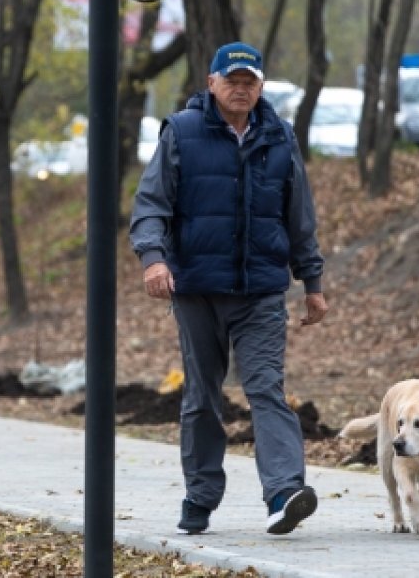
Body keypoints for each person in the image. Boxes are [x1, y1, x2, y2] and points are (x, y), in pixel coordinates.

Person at [130, 42, 329, 536]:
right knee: (202, 395)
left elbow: (298, 214)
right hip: (196, 289)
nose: (241, 89)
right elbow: (151, 204)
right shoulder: (182, 132)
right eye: (232, 80)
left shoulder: (280, 136)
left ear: (260, 86)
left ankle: (284, 493)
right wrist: (154, 260)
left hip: (260, 290)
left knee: (266, 388)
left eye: (250, 82)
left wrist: (313, 281)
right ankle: (200, 494)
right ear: (212, 82)